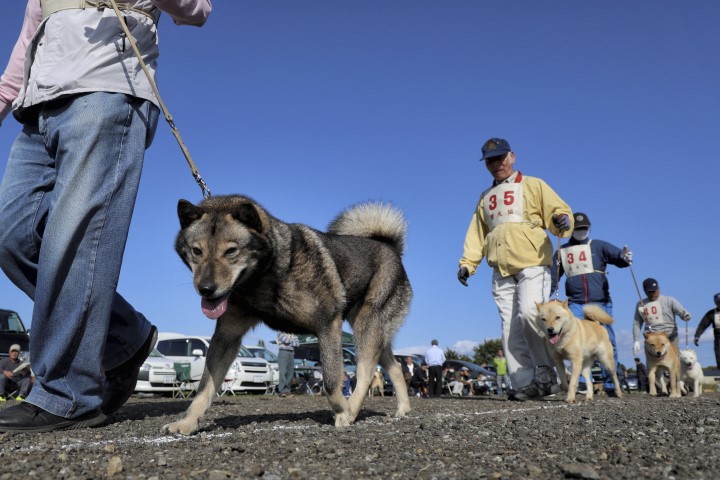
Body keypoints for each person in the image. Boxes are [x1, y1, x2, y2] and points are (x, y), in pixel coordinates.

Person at [0, 1, 212, 433]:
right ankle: (124, 336)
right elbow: (26, 49)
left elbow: (198, 10)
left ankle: (68, 393)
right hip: (38, 112)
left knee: (73, 241)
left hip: (105, 93)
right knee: (11, 235)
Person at [457, 137, 573, 401]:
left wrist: (561, 219)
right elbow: (477, 233)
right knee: (509, 327)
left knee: (529, 317)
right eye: (490, 161)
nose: (496, 164)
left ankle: (546, 375)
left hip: (532, 260)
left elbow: (560, 213)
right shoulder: (485, 197)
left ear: (512, 157)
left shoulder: (534, 184)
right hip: (501, 267)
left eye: (500, 158)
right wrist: (467, 264)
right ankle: (523, 382)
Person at [551, 212, 633, 395]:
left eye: (584, 228)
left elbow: (618, 257)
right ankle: (579, 383)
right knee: (572, 341)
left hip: (601, 301)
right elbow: (553, 276)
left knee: (608, 342)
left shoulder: (599, 245)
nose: (581, 231)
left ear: (589, 228)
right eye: (578, 228)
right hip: (576, 303)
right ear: (571, 229)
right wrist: (549, 294)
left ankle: (611, 383)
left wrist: (624, 256)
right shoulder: (562, 251)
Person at [633, 278, 691, 356]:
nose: (652, 294)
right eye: (649, 292)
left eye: (654, 291)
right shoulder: (640, 305)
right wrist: (636, 340)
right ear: (645, 291)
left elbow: (682, 311)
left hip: (670, 337)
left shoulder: (669, 300)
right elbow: (637, 323)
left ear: (658, 289)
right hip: (652, 340)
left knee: (675, 360)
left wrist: (685, 315)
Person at [694, 293, 720, 368]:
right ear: (715, 302)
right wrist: (697, 336)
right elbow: (702, 325)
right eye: (718, 302)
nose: (719, 303)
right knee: (718, 355)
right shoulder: (711, 314)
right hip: (718, 338)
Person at [276, 332, 299, 398]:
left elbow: (297, 344)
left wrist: (290, 341)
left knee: (290, 373)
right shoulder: (280, 333)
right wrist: (292, 341)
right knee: (283, 372)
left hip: (291, 353)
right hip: (283, 352)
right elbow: (286, 340)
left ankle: (288, 390)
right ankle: (282, 391)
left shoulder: (293, 334)